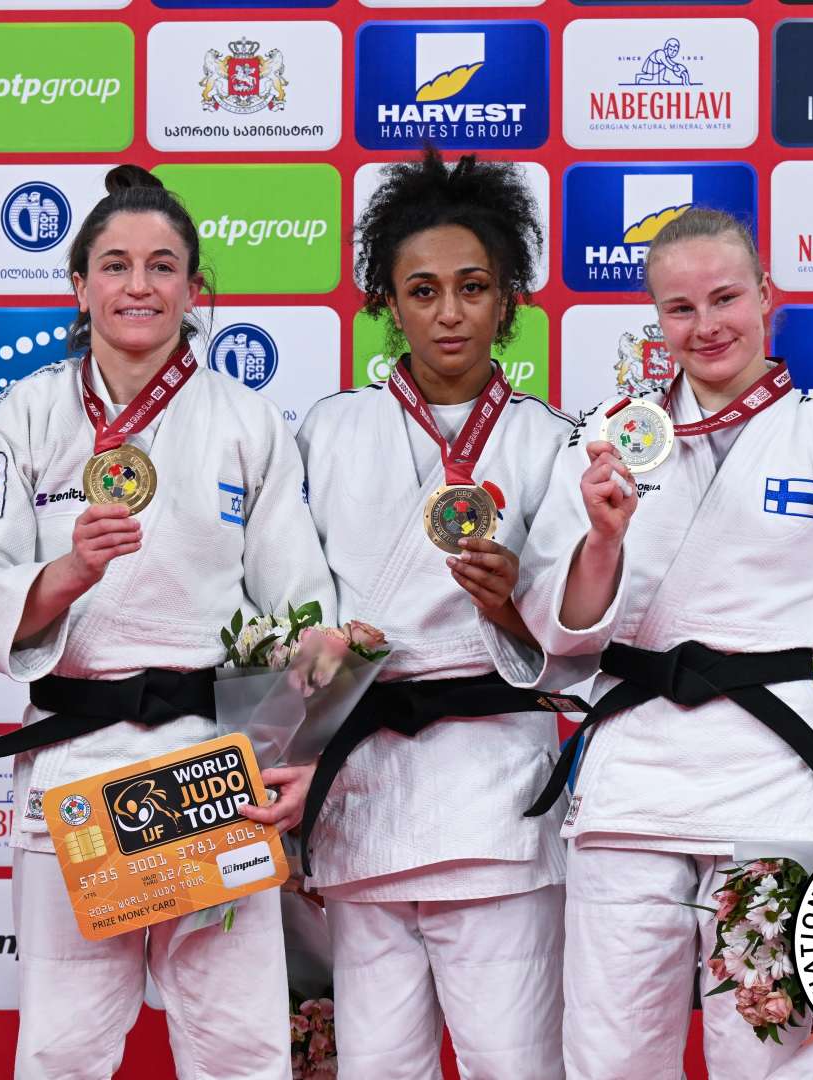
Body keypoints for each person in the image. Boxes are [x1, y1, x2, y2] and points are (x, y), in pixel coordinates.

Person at [0, 164, 335, 1080]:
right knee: (64, 1045)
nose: (139, 286)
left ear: (196, 287)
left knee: (239, 1043)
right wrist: (67, 572)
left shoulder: (246, 420)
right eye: (115, 265)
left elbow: (302, 604)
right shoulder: (23, 415)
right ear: (79, 286)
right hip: (75, 763)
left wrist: (300, 745)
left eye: (162, 266)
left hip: (210, 768)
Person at [516, 207, 813, 1079]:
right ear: (655, 319)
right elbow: (556, 627)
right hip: (633, 783)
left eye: (724, 298)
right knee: (611, 1056)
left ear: (766, 296)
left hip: (773, 787)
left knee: (772, 1054)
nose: (705, 326)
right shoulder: (609, 441)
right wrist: (601, 540)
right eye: (679, 308)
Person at [292, 149, 583, 1079]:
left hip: (496, 795)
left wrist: (517, 609)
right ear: (389, 300)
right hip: (365, 793)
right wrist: (324, 646)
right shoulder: (329, 431)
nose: (448, 312)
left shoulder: (553, 442)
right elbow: (292, 598)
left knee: (513, 1061)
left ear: (509, 299)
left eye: (472, 287)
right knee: (378, 1065)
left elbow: (586, 634)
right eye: (422, 290)